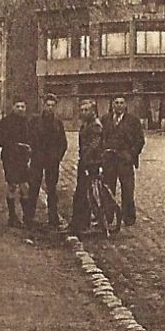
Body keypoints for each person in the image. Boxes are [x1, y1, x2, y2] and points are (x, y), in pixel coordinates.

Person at [26, 93, 68, 229]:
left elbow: (63, 143)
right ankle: (29, 217)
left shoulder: (57, 123)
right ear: (43, 106)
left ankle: (53, 217)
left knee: (52, 189)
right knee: (33, 188)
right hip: (37, 159)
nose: (50, 108)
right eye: (47, 105)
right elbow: (28, 138)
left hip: (52, 160)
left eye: (52, 105)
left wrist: (57, 157)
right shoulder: (34, 121)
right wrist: (32, 153)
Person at [104, 96, 146, 227]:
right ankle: (108, 216)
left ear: (126, 105)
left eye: (122, 103)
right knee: (108, 188)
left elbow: (140, 140)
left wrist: (131, 154)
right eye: (116, 103)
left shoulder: (133, 121)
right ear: (112, 104)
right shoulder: (105, 120)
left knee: (127, 189)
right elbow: (100, 138)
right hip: (109, 160)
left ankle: (128, 216)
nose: (119, 105)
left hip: (125, 161)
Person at [68, 100, 106, 235]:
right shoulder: (86, 124)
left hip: (91, 163)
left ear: (93, 111)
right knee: (82, 193)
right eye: (82, 110)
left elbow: (93, 146)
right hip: (85, 161)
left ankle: (82, 224)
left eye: (86, 110)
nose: (83, 112)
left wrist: (84, 161)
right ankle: (80, 223)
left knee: (86, 194)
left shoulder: (95, 126)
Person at [0, 100, 34, 227]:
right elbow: (2, 141)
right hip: (10, 158)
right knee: (12, 185)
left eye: (22, 106)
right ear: (13, 107)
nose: (20, 109)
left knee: (25, 187)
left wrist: (29, 149)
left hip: (23, 159)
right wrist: (19, 145)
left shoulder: (27, 122)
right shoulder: (6, 122)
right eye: (17, 106)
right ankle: (12, 216)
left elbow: (31, 139)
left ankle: (27, 217)